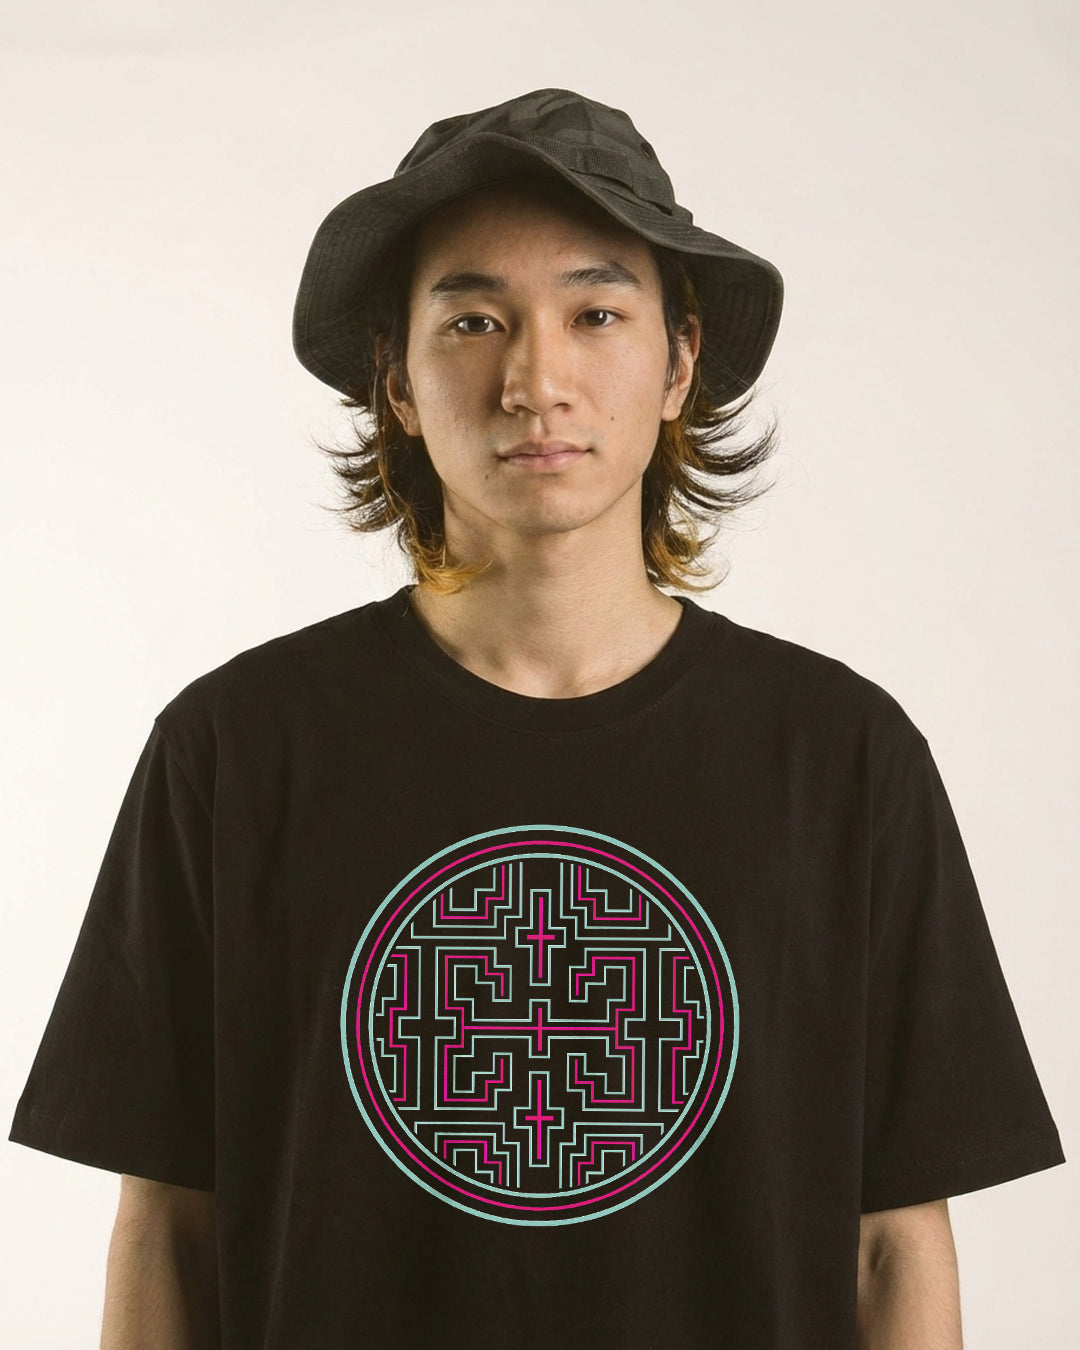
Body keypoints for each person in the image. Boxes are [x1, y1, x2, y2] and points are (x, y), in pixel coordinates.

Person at [9, 87, 1064, 1349]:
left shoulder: (841, 757)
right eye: (473, 321)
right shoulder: (236, 750)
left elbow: (893, 1244)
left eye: (595, 313)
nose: (535, 380)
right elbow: (168, 1227)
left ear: (679, 364)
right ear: (397, 382)